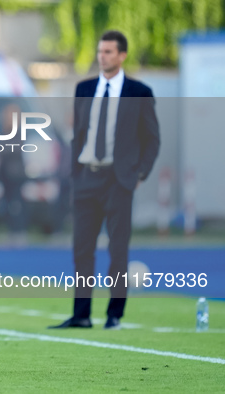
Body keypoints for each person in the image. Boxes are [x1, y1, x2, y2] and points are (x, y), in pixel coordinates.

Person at [49, 30, 160, 330]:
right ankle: (82, 315)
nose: (103, 57)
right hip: (87, 177)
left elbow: (152, 140)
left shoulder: (139, 92)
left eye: (109, 52)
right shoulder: (84, 88)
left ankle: (114, 315)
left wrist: (140, 174)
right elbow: (79, 134)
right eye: (100, 51)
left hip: (118, 180)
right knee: (82, 249)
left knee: (117, 249)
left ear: (122, 55)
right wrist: (75, 171)